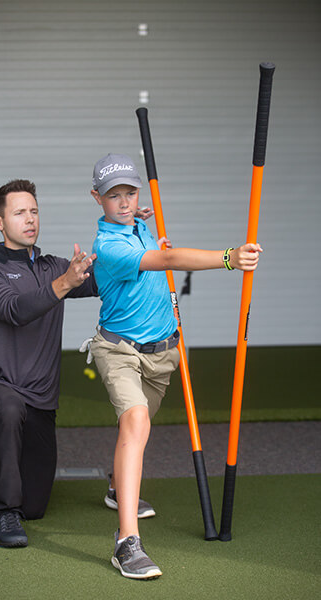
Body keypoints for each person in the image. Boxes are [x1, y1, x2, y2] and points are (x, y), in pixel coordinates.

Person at [88, 153, 262, 579]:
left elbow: (146, 238)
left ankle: (116, 487)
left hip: (164, 353)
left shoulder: (138, 226)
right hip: (120, 351)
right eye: (114, 196)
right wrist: (228, 257)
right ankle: (126, 542)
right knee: (136, 423)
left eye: (130, 193)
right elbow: (165, 262)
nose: (124, 202)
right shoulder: (108, 246)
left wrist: (140, 221)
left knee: (139, 425)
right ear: (97, 198)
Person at [0, 179, 98, 548]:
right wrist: (65, 283)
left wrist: (130, 231)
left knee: (34, 506)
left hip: (39, 402)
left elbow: (108, 279)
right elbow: (16, 310)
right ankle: (3, 513)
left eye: (34, 211)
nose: (30, 219)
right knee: (8, 407)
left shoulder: (55, 267)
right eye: (19, 212)